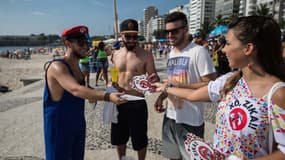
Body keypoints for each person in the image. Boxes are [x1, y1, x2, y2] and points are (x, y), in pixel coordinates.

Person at [152, 16, 285, 159]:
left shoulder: (277, 93)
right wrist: (164, 88)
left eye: (227, 43)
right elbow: (192, 95)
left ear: (248, 48)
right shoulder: (230, 80)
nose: (222, 50)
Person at [43, 25, 127, 160]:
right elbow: (75, 89)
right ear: (68, 44)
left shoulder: (76, 67)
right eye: (81, 43)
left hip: (78, 124)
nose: (86, 46)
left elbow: (82, 91)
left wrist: (109, 88)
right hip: (60, 128)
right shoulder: (57, 66)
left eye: (87, 43)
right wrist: (107, 96)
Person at [154, 11, 216, 160]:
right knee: (173, 156)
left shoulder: (198, 52)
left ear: (185, 29)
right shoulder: (172, 53)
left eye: (174, 31)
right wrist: (162, 96)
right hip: (170, 116)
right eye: (167, 31)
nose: (169, 35)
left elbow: (211, 85)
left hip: (191, 120)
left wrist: (179, 85)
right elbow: (171, 82)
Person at [110, 19, 160, 160]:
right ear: (122, 36)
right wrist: (112, 81)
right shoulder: (115, 54)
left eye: (135, 36)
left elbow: (153, 77)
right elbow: (114, 71)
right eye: (128, 36)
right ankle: (122, 158)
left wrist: (154, 79)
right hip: (119, 99)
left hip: (137, 101)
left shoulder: (146, 55)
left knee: (140, 139)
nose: (132, 40)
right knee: (119, 138)